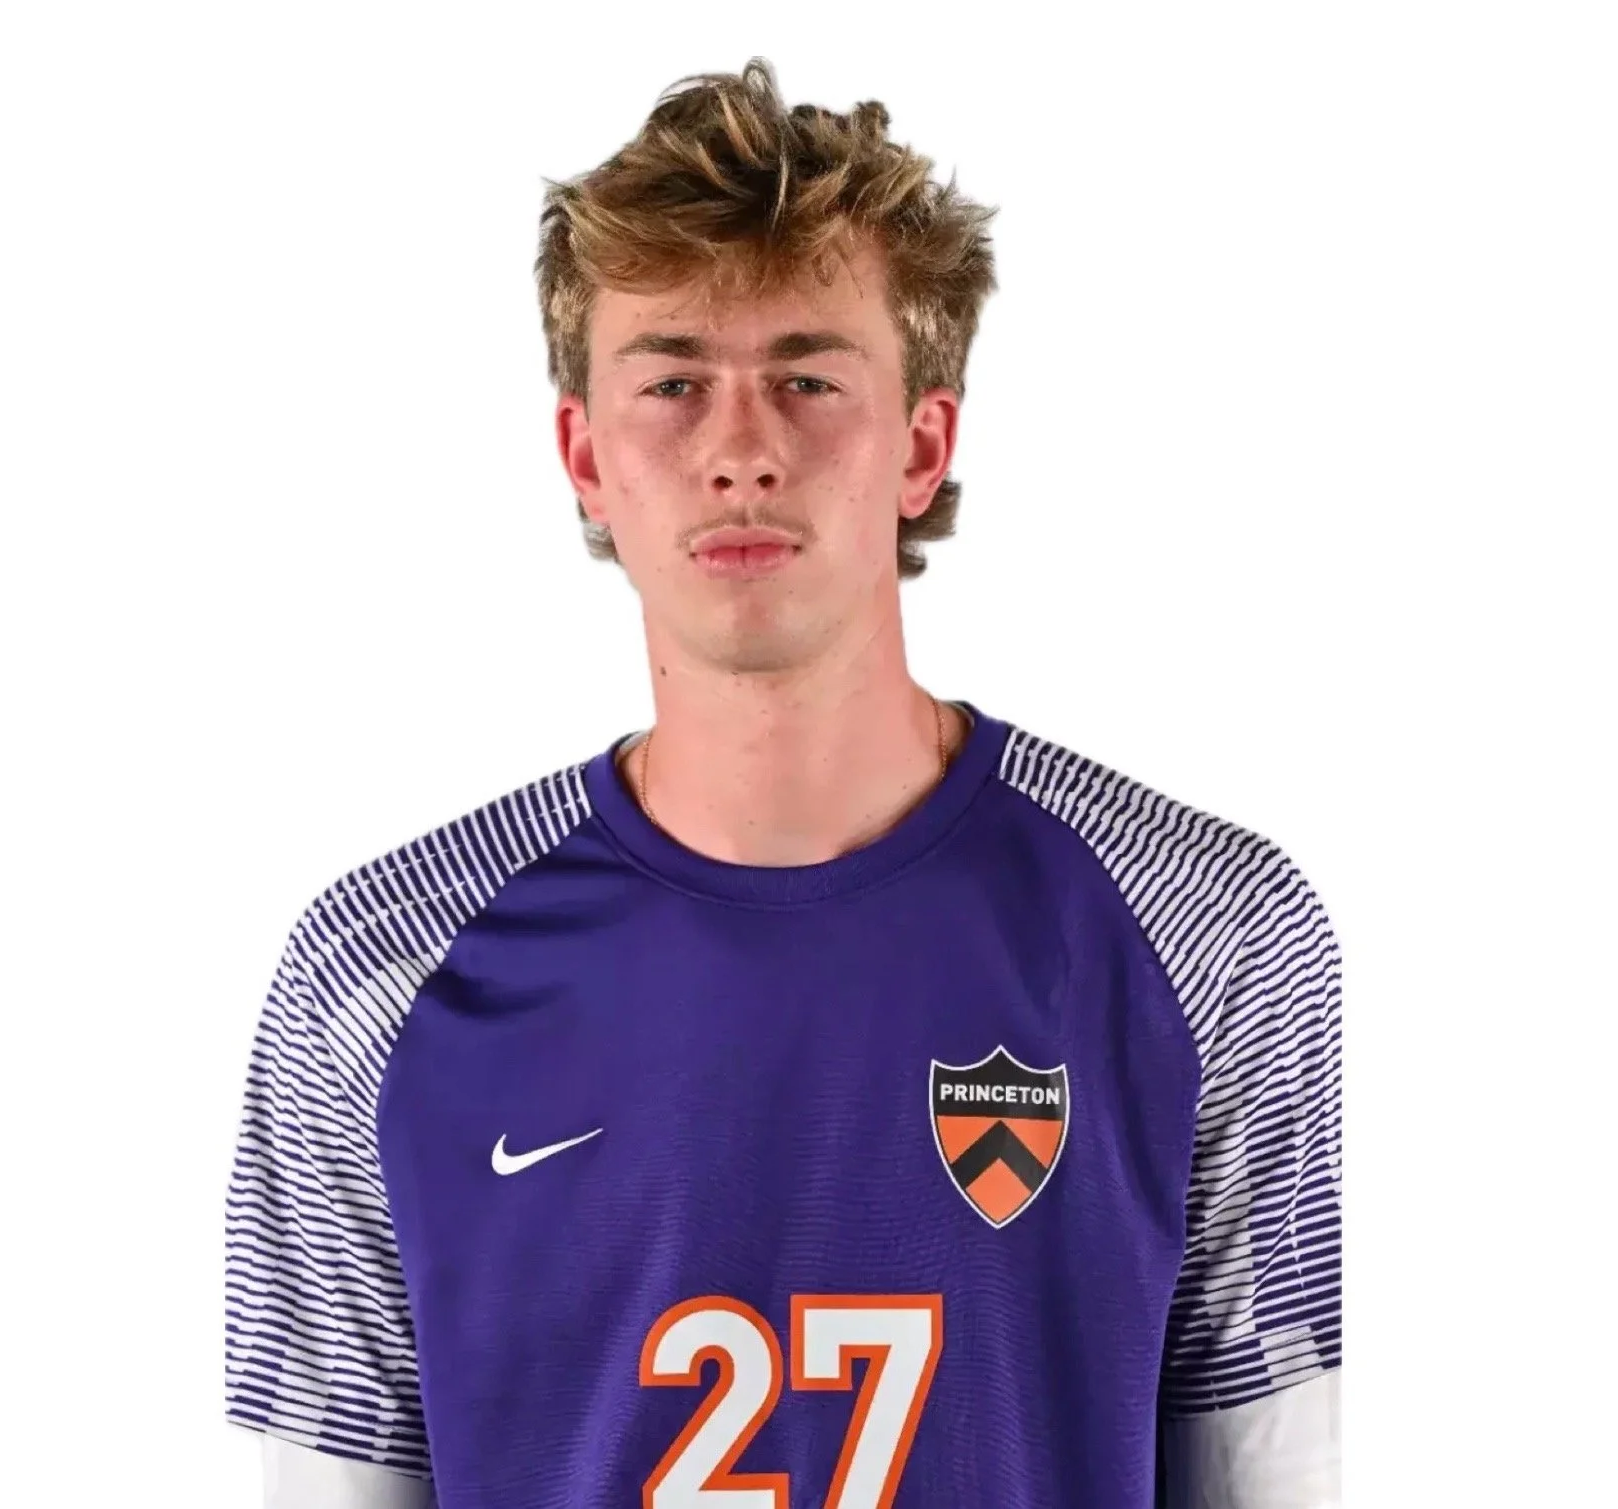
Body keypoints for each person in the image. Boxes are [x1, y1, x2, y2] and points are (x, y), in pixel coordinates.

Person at [223, 57, 1342, 1509]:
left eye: (807, 380)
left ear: (922, 445)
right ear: (586, 456)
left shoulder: (1212, 936)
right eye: (673, 383)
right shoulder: (374, 981)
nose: (741, 450)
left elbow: (1297, 1470)